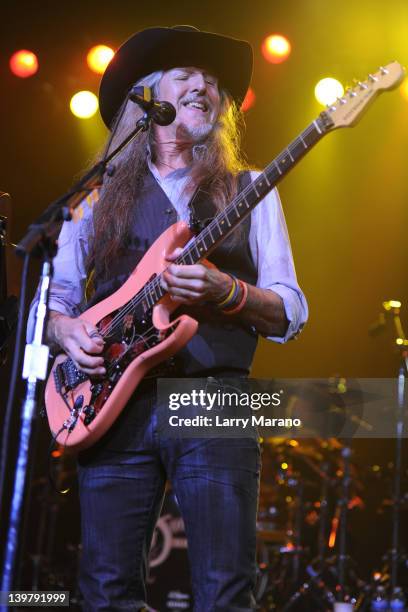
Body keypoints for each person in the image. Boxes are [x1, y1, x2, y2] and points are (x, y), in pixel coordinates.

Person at [28, 25, 308, 611]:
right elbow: (51, 305)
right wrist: (66, 331)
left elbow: (290, 310)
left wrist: (227, 290)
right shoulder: (96, 195)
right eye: (187, 75)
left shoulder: (250, 187)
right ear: (147, 98)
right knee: (105, 590)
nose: (205, 86)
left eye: (214, 84)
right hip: (110, 398)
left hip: (214, 395)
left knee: (224, 589)